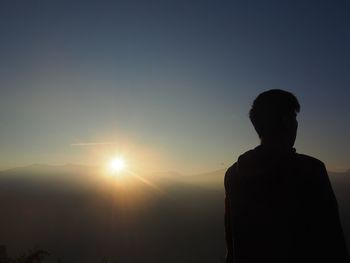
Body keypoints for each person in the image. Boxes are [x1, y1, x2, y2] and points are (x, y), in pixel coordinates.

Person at [224, 89, 349, 263]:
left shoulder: (233, 174)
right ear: (286, 121)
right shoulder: (311, 170)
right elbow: (332, 241)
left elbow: (232, 243)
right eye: (295, 118)